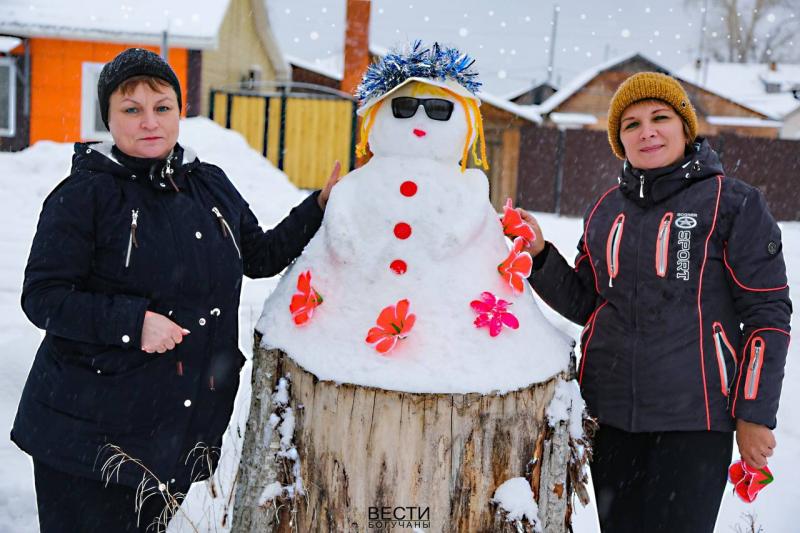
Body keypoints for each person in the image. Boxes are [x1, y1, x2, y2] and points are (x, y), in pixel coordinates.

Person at [11, 48, 340, 532]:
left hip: (173, 433)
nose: (150, 122)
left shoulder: (208, 185)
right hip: (85, 436)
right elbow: (44, 297)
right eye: (132, 109)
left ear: (180, 112)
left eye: (162, 107)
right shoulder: (84, 195)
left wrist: (318, 206)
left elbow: (259, 256)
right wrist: (132, 323)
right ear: (108, 117)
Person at [520, 72, 791, 532]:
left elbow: (767, 316)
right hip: (611, 420)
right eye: (631, 124)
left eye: (660, 117)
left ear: (685, 127)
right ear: (618, 140)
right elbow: (589, 303)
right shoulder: (606, 209)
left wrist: (753, 414)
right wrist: (540, 256)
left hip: (695, 422)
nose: (647, 131)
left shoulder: (734, 203)